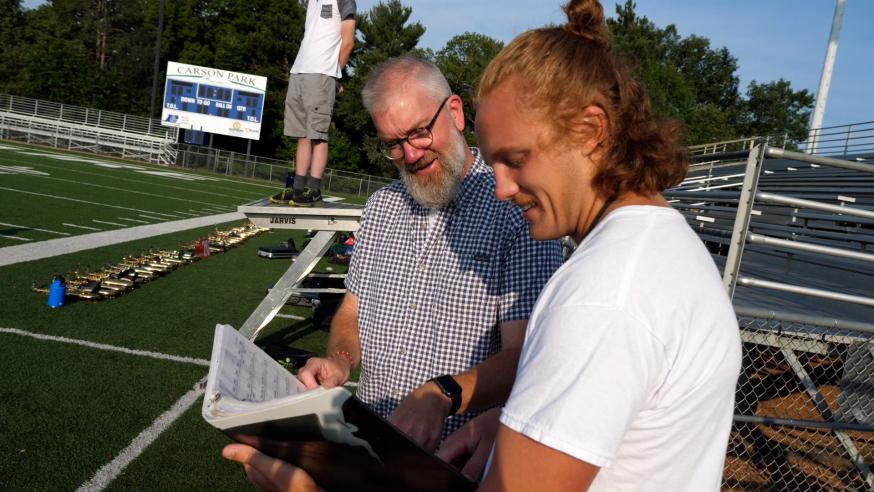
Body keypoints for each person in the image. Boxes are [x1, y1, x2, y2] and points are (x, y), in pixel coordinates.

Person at [223, 1, 742, 490]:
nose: (502, 187)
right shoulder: (652, 253)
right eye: (393, 144)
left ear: (590, 130)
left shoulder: (606, 293)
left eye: (515, 159)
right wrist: (505, 423)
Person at [222, 55, 563, 483]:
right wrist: (340, 361)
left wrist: (442, 396)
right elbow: (351, 313)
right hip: (368, 448)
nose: (411, 154)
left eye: (419, 132)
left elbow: (525, 357)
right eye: (394, 144)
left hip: (454, 461)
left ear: (455, 112)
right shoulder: (382, 207)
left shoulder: (516, 212)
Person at [281, 0, 356, 206]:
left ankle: (313, 190)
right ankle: (297, 189)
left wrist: (334, 75)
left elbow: (348, 41)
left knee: (318, 135)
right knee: (303, 134)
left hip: (322, 73)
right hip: (299, 70)